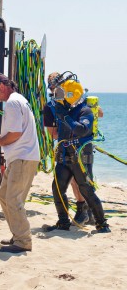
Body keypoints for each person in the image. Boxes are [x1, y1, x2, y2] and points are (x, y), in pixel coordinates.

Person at [43, 71, 110, 233]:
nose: (56, 94)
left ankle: (101, 224)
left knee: (86, 188)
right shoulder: (54, 107)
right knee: (57, 188)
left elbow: (82, 129)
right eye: (54, 91)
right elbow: (53, 134)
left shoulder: (84, 108)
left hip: (81, 155)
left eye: (58, 91)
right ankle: (63, 222)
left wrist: (65, 118)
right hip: (64, 154)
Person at [0, 73, 40, 253]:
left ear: (2, 86)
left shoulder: (13, 103)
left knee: (13, 199)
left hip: (22, 156)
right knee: (5, 196)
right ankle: (18, 235)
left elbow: (15, 134)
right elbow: (17, 133)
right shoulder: (18, 100)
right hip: (22, 156)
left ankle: (23, 241)